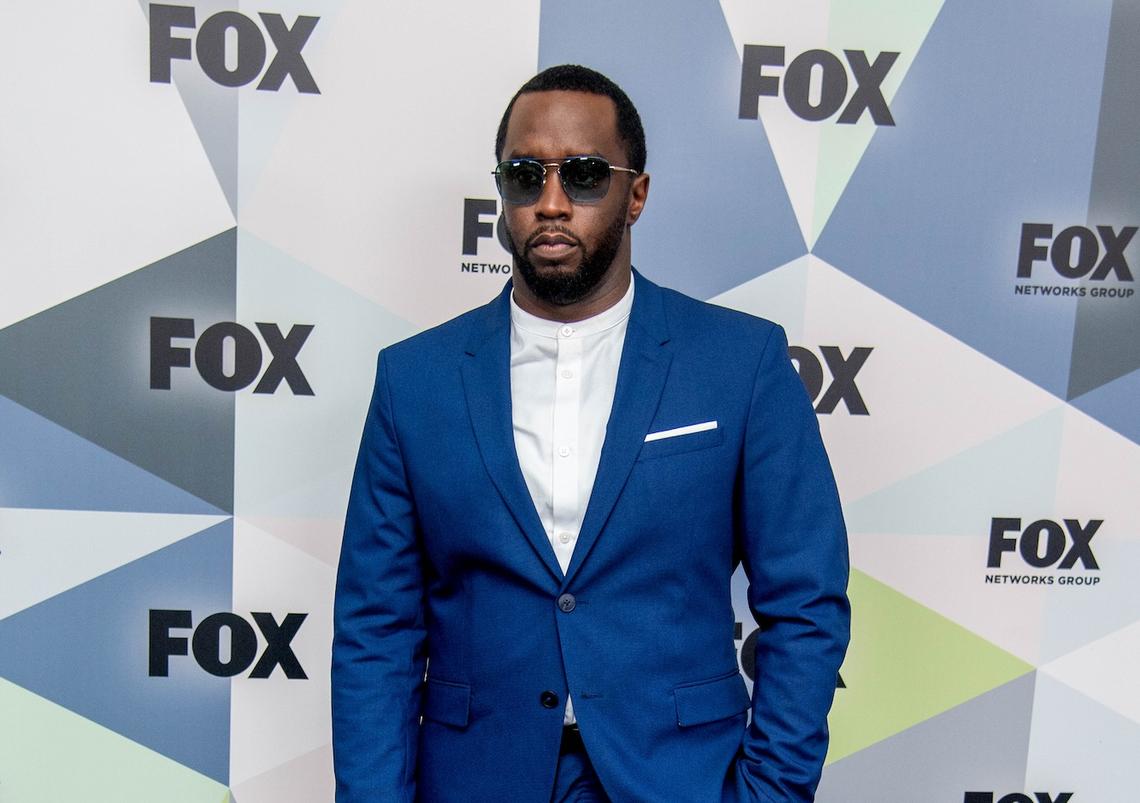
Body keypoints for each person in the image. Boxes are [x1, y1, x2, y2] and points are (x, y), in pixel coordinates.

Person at [332, 64, 850, 803]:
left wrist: (769, 793)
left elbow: (806, 601)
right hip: (476, 781)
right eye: (523, 175)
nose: (550, 203)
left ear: (635, 193)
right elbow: (375, 630)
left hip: (683, 779)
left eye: (581, 175)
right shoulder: (414, 380)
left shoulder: (740, 364)